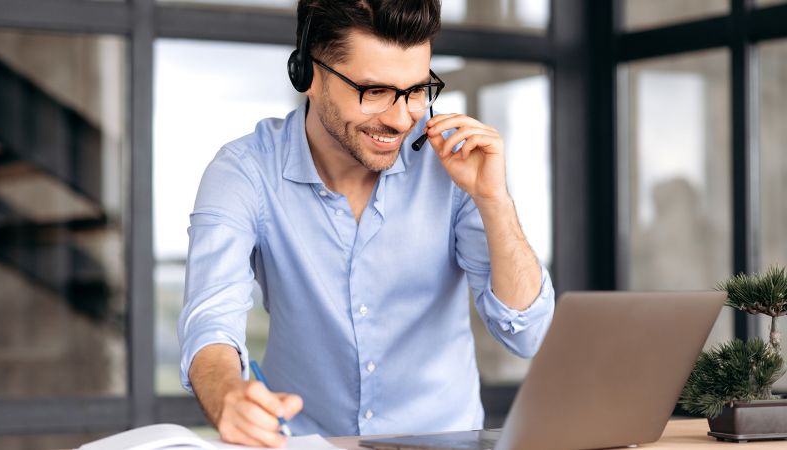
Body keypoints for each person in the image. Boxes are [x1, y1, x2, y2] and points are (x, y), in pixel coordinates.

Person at [178, 0, 555, 447]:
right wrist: (228, 397)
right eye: (374, 91)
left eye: (416, 91)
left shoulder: (454, 166)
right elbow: (211, 321)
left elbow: (530, 336)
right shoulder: (244, 171)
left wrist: (494, 200)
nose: (400, 119)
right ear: (308, 75)